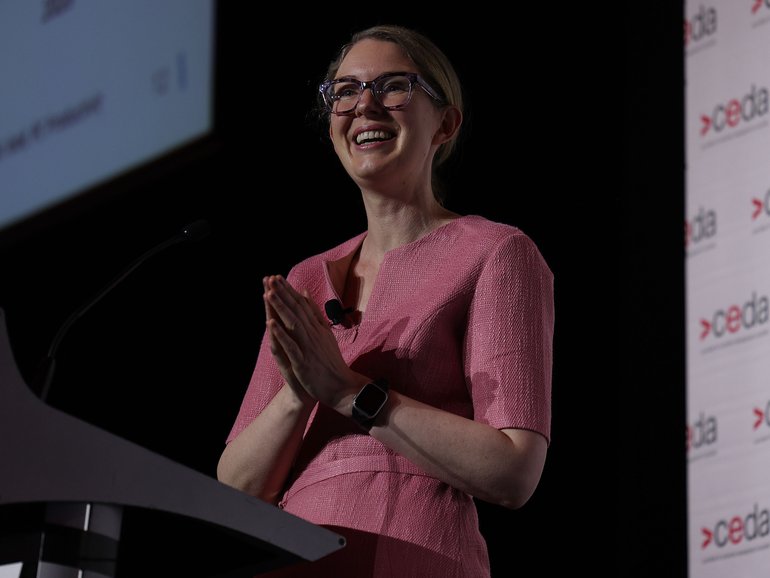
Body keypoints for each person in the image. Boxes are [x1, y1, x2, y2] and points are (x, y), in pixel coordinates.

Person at [216, 23, 555, 577]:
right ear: (331, 128)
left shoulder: (495, 252)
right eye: (345, 92)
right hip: (295, 555)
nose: (365, 106)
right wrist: (301, 393)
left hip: (414, 554)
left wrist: (348, 391)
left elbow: (514, 470)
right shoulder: (305, 279)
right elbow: (236, 486)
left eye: (394, 86)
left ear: (445, 122)